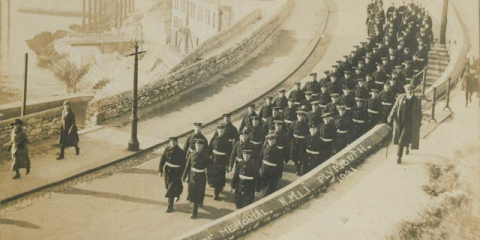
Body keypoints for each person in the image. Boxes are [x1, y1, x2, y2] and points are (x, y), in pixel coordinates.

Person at [388, 84, 423, 164]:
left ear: (413, 90)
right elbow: (395, 108)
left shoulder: (417, 100)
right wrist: (390, 116)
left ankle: (399, 157)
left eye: (411, 90)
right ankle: (407, 146)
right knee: (403, 137)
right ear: (405, 90)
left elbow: (419, 112)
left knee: (401, 140)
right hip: (400, 121)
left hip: (410, 123)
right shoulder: (400, 97)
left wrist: (419, 122)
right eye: (408, 90)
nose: (409, 91)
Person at [183, 139, 209, 219]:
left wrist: (208, 176)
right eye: (197, 145)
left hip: (201, 177)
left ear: (202, 146)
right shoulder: (192, 154)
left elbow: (209, 166)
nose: (198, 147)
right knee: (191, 191)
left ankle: (194, 212)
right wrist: (184, 176)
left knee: (198, 193)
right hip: (192, 176)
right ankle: (199, 202)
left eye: (200, 145)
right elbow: (187, 166)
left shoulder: (205, 155)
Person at [159, 137, 186, 212]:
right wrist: (160, 170)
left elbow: (183, 164)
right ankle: (177, 194)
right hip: (167, 172)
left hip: (176, 173)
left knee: (171, 189)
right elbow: (162, 159)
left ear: (177, 142)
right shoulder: (167, 149)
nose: (172, 143)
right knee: (167, 187)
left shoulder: (180, 152)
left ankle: (169, 206)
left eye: (174, 142)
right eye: (171, 142)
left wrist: (182, 175)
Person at [208, 124, 231, 200]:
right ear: (217, 131)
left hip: (222, 161)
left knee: (219, 177)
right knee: (214, 176)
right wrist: (208, 157)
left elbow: (229, 153)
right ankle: (218, 187)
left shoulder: (227, 141)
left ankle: (216, 194)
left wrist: (228, 164)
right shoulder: (214, 138)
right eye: (219, 130)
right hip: (214, 160)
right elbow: (210, 148)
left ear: (224, 131)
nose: (221, 132)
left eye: (222, 130)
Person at [259, 132, 284, 198]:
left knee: (271, 188)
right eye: (269, 140)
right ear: (267, 140)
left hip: (273, 171)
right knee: (263, 185)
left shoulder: (278, 150)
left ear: (275, 140)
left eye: (272, 140)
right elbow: (260, 157)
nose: (271, 142)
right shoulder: (264, 148)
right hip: (264, 170)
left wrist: (279, 174)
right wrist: (259, 168)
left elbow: (280, 163)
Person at [288, 110, 309, 175]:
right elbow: (290, 132)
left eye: (301, 116)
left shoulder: (306, 125)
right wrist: (290, 141)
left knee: (300, 156)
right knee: (294, 155)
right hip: (294, 142)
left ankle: (298, 169)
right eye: (299, 116)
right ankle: (296, 165)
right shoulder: (293, 123)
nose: (300, 117)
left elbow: (307, 135)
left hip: (302, 142)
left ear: (303, 117)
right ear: (297, 116)